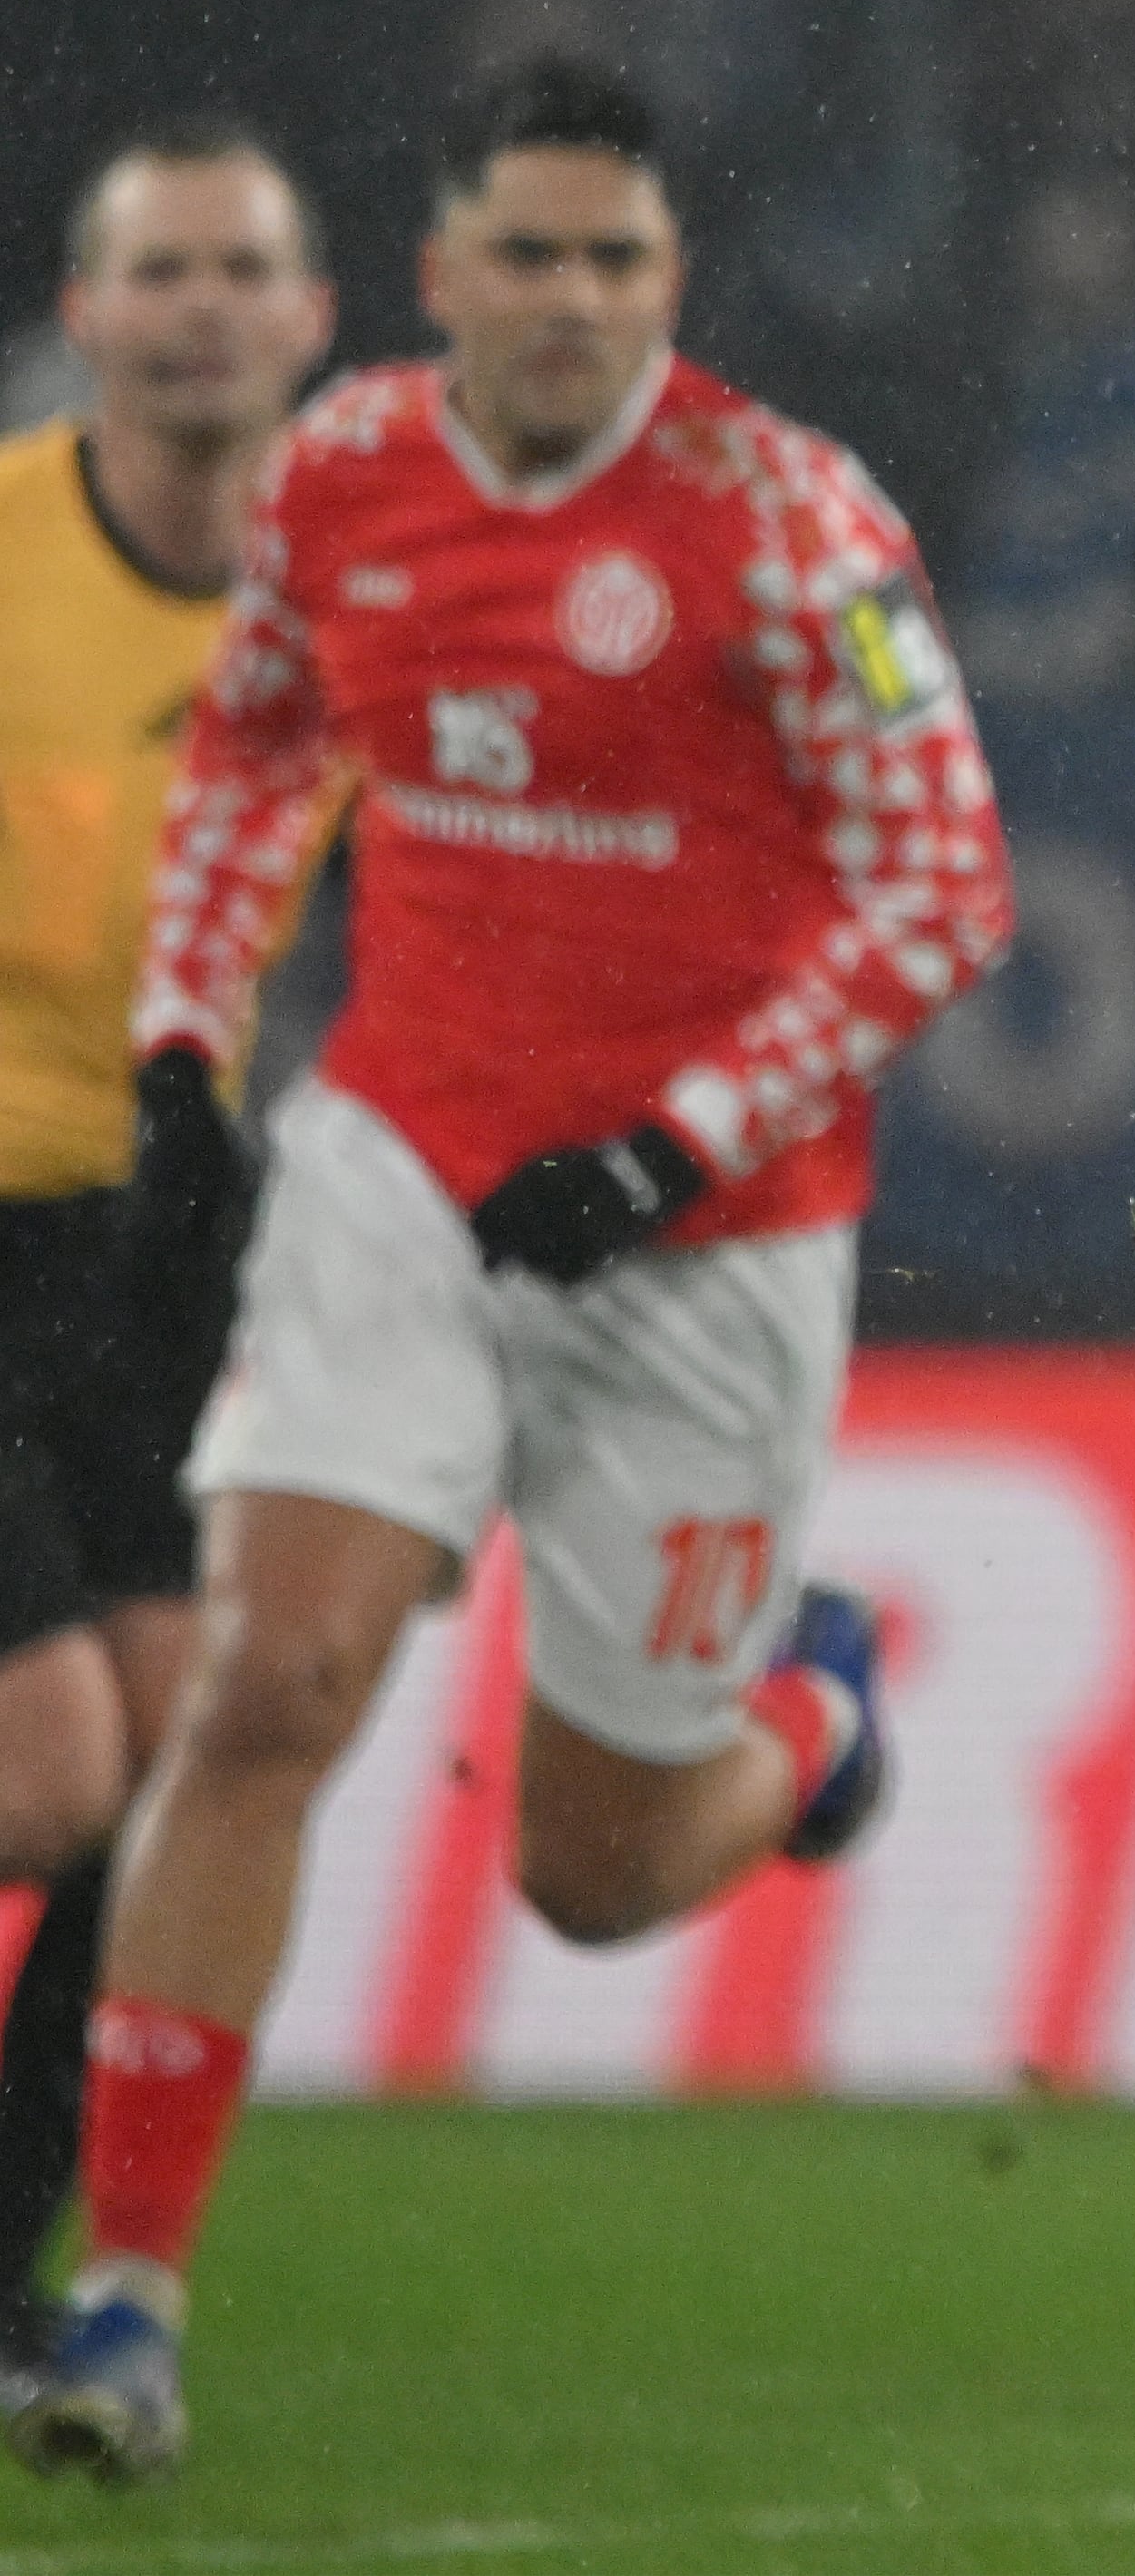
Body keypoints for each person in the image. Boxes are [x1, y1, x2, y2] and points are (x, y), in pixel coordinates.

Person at [8, 57, 1016, 2483]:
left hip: (712, 1248)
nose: (573, 302)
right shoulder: (347, 473)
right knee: (268, 1683)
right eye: (530, 254)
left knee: (590, 1865)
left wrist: (680, 1133)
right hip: (399, 1173)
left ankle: (816, 1720)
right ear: (440, 268)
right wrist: (185, 1037)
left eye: (618, 260)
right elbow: (258, 743)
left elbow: (943, 887)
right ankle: (119, 2296)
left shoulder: (789, 523)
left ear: (670, 283)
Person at [0, 127, 334, 2405]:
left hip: (167, 1230)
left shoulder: (354, 590)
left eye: (246, 269)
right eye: (163, 270)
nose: (205, 306)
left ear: (315, 319)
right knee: (47, 1778)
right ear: (86, 309)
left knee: (153, 1788)